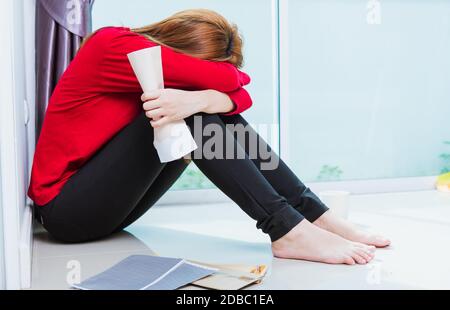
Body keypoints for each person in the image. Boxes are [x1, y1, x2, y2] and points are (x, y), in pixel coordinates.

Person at [28, 9, 390, 265]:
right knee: (195, 116)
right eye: (198, 69)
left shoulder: (154, 67)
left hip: (105, 208)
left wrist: (199, 97)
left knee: (199, 112)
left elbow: (238, 98)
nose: (198, 78)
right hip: (66, 210)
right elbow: (235, 82)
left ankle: (312, 215)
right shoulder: (112, 46)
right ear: (177, 43)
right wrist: (203, 96)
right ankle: (286, 229)